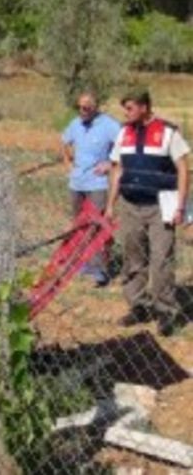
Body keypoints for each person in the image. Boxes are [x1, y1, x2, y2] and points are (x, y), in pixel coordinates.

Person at [105, 89, 190, 336]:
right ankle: (138, 306)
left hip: (161, 206)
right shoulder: (124, 133)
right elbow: (117, 169)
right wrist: (111, 204)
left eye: (130, 107)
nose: (126, 112)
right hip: (131, 205)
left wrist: (181, 206)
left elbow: (183, 169)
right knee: (133, 257)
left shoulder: (167, 132)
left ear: (144, 107)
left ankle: (165, 311)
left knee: (161, 258)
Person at [61, 91, 121, 287]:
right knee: (79, 223)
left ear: (95, 106)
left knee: (97, 225)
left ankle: (100, 269)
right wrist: (68, 164)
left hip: (98, 184)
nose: (82, 111)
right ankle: (82, 263)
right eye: (79, 107)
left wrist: (109, 163)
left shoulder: (109, 125)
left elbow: (123, 146)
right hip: (77, 183)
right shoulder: (75, 123)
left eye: (86, 107)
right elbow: (64, 142)